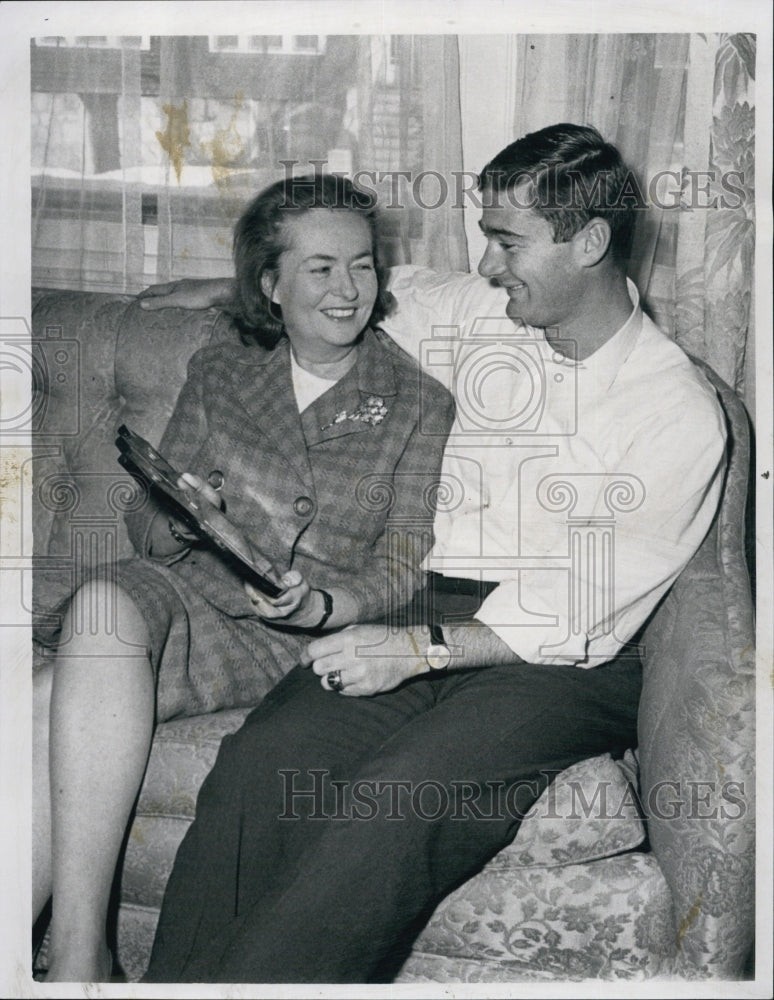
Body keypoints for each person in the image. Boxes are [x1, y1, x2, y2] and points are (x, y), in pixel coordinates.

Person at [140, 124, 728, 983]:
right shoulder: (478, 309)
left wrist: (411, 651)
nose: (488, 264)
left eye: (507, 241)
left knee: (397, 800)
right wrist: (212, 290)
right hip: (428, 600)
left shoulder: (675, 410)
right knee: (265, 762)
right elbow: (368, 290)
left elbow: (579, 611)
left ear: (590, 242)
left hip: (565, 657)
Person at [32, 173, 455, 982]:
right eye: (320, 268)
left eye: (363, 266)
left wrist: (329, 603)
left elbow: (405, 556)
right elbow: (145, 526)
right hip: (193, 593)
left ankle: (73, 965)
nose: (348, 290)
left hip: (289, 637)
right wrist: (186, 516)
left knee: (45, 697)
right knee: (94, 614)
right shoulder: (223, 371)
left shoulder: (416, 402)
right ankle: (79, 956)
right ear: (271, 283)